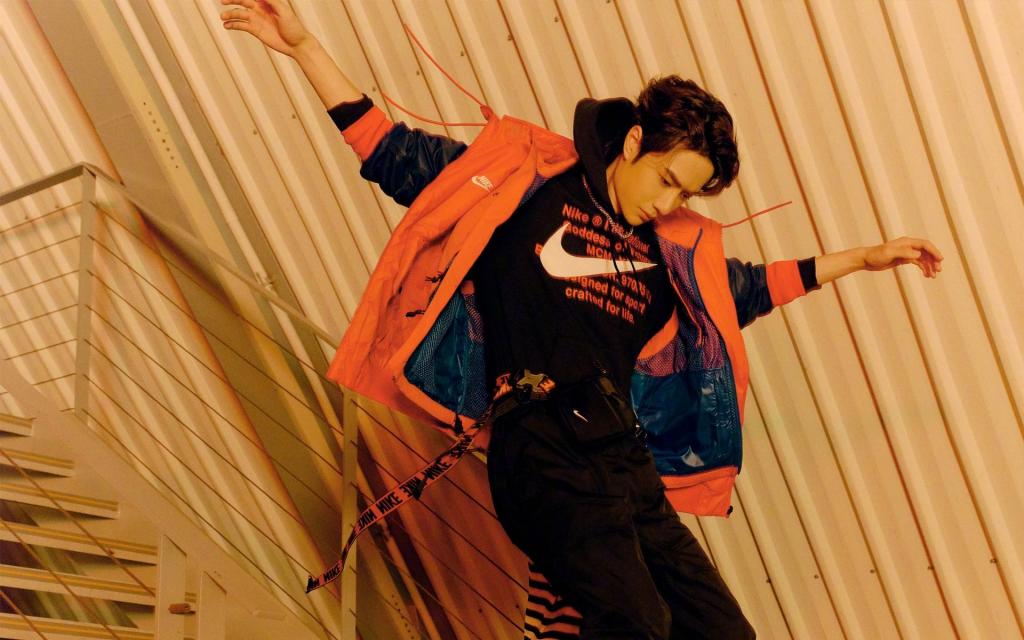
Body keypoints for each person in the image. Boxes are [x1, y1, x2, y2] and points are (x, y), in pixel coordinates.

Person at [220, 1, 944, 638]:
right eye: (667, 180)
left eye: (686, 196)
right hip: (540, 441)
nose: (668, 204)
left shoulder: (667, 253)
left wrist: (863, 258)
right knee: (636, 622)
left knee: (722, 631)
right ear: (632, 143)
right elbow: (394, 154)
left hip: (621, 455)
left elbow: (744, 290)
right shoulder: (530, 187)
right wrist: (305, 48)